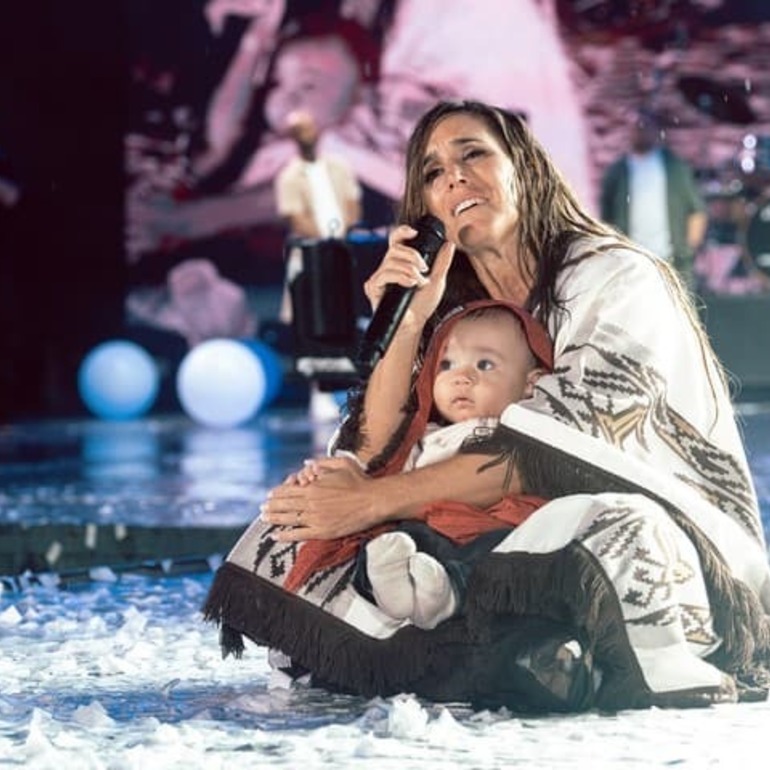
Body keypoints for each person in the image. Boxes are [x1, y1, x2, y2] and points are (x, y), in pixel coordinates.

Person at [204, 100, 770, 714]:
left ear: (525, 167)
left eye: (473, 153)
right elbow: (374, 448)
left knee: (608, 525)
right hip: (491, 525)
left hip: (661, 525)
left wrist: (369, 502)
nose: (454, 177)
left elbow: (547, 450)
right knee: (294, 526)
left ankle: (514, 656)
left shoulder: (619, 278)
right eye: (432, 172)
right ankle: (521, 657)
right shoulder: (455, 304)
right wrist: (408, 320)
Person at [288, 300, 553, 630]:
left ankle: (445, 595)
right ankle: (390, 588)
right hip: (427, 532)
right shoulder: (423, 434)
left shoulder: (517, 434)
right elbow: (380, 472)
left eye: (485, 365)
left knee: (499, 551)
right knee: (384, 542)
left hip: (483, 530)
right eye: (446, 365)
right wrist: (323, 475)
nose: (461, 377)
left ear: (532, 383)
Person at [599, 107, 708, 290]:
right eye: (635, 127)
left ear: (656, 130)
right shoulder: (617, 172)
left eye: (645, 126)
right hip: (630, 263)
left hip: (671, 261)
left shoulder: (674, 167)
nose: (640, 131)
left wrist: (688, 249)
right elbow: (606, 218)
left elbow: (696, 211)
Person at [275, 108, 362, 323]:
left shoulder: (340, 167)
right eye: (298, 131)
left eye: (307, 128)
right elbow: (296, 219)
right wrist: (327, 242)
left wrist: (342, 237)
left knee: (348, 307)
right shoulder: (288, 177)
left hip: (345, 249)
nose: (305, 135)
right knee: (307, 312)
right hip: (310, 252)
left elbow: (353, 204)